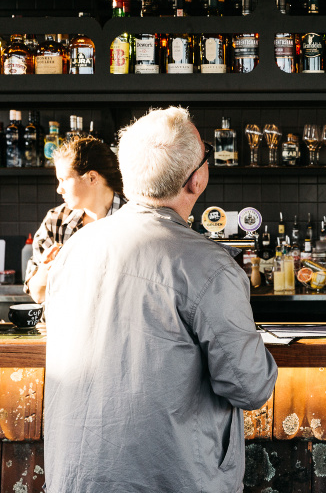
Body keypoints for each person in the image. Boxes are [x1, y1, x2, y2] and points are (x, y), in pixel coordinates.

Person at [44, 107, 277, 493]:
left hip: (73, 481)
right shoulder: (210, 267)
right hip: (172, 482)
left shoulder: (74, 250)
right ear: (197, 179)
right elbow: (249, 387)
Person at [24, 136, 124, 304]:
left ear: (92, 178)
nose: (59, 189)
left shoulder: (133, 219)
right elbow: (38, 295)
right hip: (64, 320)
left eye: (63, 180)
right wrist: (47, 268)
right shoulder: (56, 221)